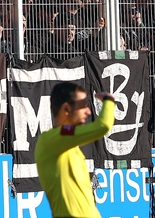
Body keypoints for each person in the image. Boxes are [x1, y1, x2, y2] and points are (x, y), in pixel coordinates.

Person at [35, 82, 116, 218]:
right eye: (82, 105)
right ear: (66, 109)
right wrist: (109, 101)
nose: (88, 111)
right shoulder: (53, 138)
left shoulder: (67, 143)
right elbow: (103, 125)